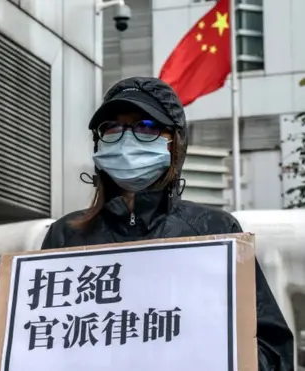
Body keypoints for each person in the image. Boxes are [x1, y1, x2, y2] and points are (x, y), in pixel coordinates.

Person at [41, 77, 294, 370]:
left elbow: (272, 351)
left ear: (174, 144)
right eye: (112, 127)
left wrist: (209, 353)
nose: (126, 139)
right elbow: (39, 336)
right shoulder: (65, 234)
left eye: (146, 127)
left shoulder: (214, 230)